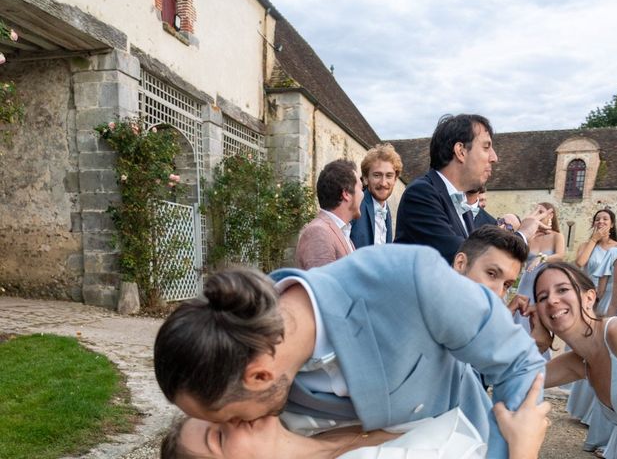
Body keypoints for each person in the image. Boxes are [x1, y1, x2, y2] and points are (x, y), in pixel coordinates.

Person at [154, 245, 546, 458]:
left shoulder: (408, 280)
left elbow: (519, 364)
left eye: (234, 417)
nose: (243, 425)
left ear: (260, 376)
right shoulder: (250, 371)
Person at [160, 375, 550, 459]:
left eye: (218, 414)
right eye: (219, 437)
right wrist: (525, 448)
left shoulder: (313, 410)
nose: (231, 419)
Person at [394, 113, 548, 264]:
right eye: (486, 147)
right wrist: (522, 234)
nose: (494, 158)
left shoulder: (463, 208)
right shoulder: (421, 194)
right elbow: (465, 260)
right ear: (461, 151)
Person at [531, 262, 617, 457]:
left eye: (563, 289)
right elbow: (517, 379)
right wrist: (536, 345)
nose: (552, 301)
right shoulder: (578, 363)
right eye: (542, 297)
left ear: (589, 297)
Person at [566, 209, 617, 452]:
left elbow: (610, 280)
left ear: (612, 225)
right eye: (597, 219)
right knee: (581, 350)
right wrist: (593, 239)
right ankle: (580, 408)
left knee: (599, 352)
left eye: (605, 220)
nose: (601, 222)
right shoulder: (585, 245)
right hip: (585, 298)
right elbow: (579, 264)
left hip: (607, 298)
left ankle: (595, 411)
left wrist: (600, 303)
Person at [295, 159, 363, 269]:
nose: (363, 194)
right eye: (361, 188)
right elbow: (322, 285)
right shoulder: (318, 233)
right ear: (346, 193)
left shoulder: (340, 231)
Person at [513, 202, 565, 343]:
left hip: (544, 283)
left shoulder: (557, 236)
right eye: (535, 210)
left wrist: (541, 258)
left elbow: (560, 255)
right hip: (526, 281)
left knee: (538, 319)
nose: (537, 213)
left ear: (551, 215)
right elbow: (519, 255)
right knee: (521, 315)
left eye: (541, 211)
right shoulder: (531, 237)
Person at [350, 144, 403, 248]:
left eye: (389, 176)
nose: (383, 183)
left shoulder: (386, 209)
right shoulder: (354, 206)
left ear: (395, 179)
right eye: (377, 175)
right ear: (365, 178)